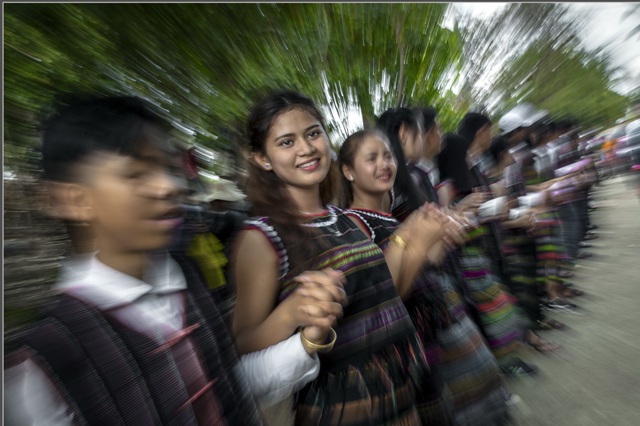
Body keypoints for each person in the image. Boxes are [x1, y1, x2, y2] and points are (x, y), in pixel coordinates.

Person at [4, 95, 345, 425]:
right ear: (74, 200)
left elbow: (229, 385)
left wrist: (307, 340)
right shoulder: (43, 364)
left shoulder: (188, 280)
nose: (169, 186)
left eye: (168, 168)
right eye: (135, 174)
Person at [231, 90, 433, 425]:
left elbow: (384, 296)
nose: (306, 148)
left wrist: (414, 240)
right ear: (262, 158)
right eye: (286, 142)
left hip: (402, 389)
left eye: (313, 133)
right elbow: (242, 345)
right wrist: (292, 313)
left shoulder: (345, 219)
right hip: (346, 407)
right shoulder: (261, 237)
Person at [339, 127, 511, 426]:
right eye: (371, 158)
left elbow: (423, 264)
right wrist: (416, 241)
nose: (384, 164)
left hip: (430, 325)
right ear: (348, 171)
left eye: (388, 155)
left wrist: (440, 237)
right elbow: (387, 294)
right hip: (405, 340)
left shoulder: (388, 215)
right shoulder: (354, 224)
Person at [438, 113, 536, 377]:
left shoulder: (470, 172)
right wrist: (473, 210)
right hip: (468, 256)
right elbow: (449, 216)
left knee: (500, 309)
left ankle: (509, 359)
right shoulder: (447, 183)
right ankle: (504, 363)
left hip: (480, 251)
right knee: (495, 311)